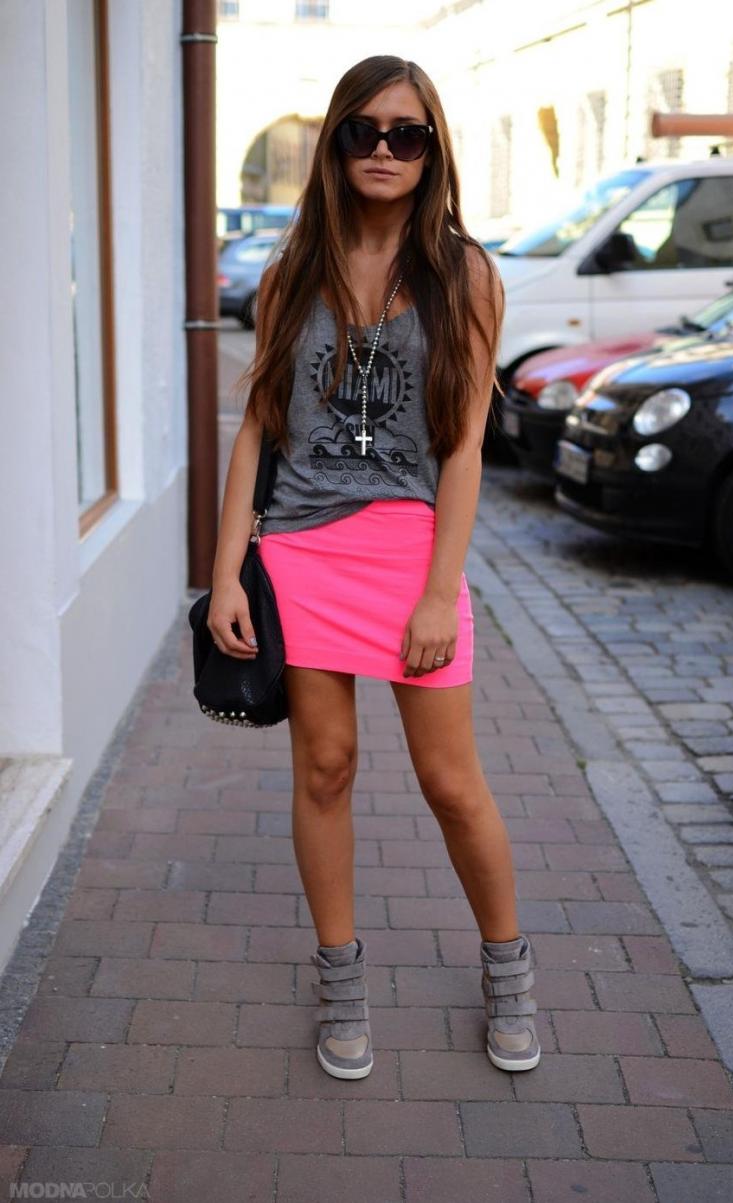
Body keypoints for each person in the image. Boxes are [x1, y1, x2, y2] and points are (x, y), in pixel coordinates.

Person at [208, 55, 540, 1080]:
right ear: (336, 143)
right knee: (326, 767)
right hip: (300, 550)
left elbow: (463, 448)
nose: (384, 149)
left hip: (408, 556)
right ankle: (341, 980)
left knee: (451, 782)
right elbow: (257, 430)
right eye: (364, 130)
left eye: (407, 133)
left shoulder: (465, 275)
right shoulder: (290, 272)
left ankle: (508, 971)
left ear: (432, 150)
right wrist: (226, 573)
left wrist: (440, 590)